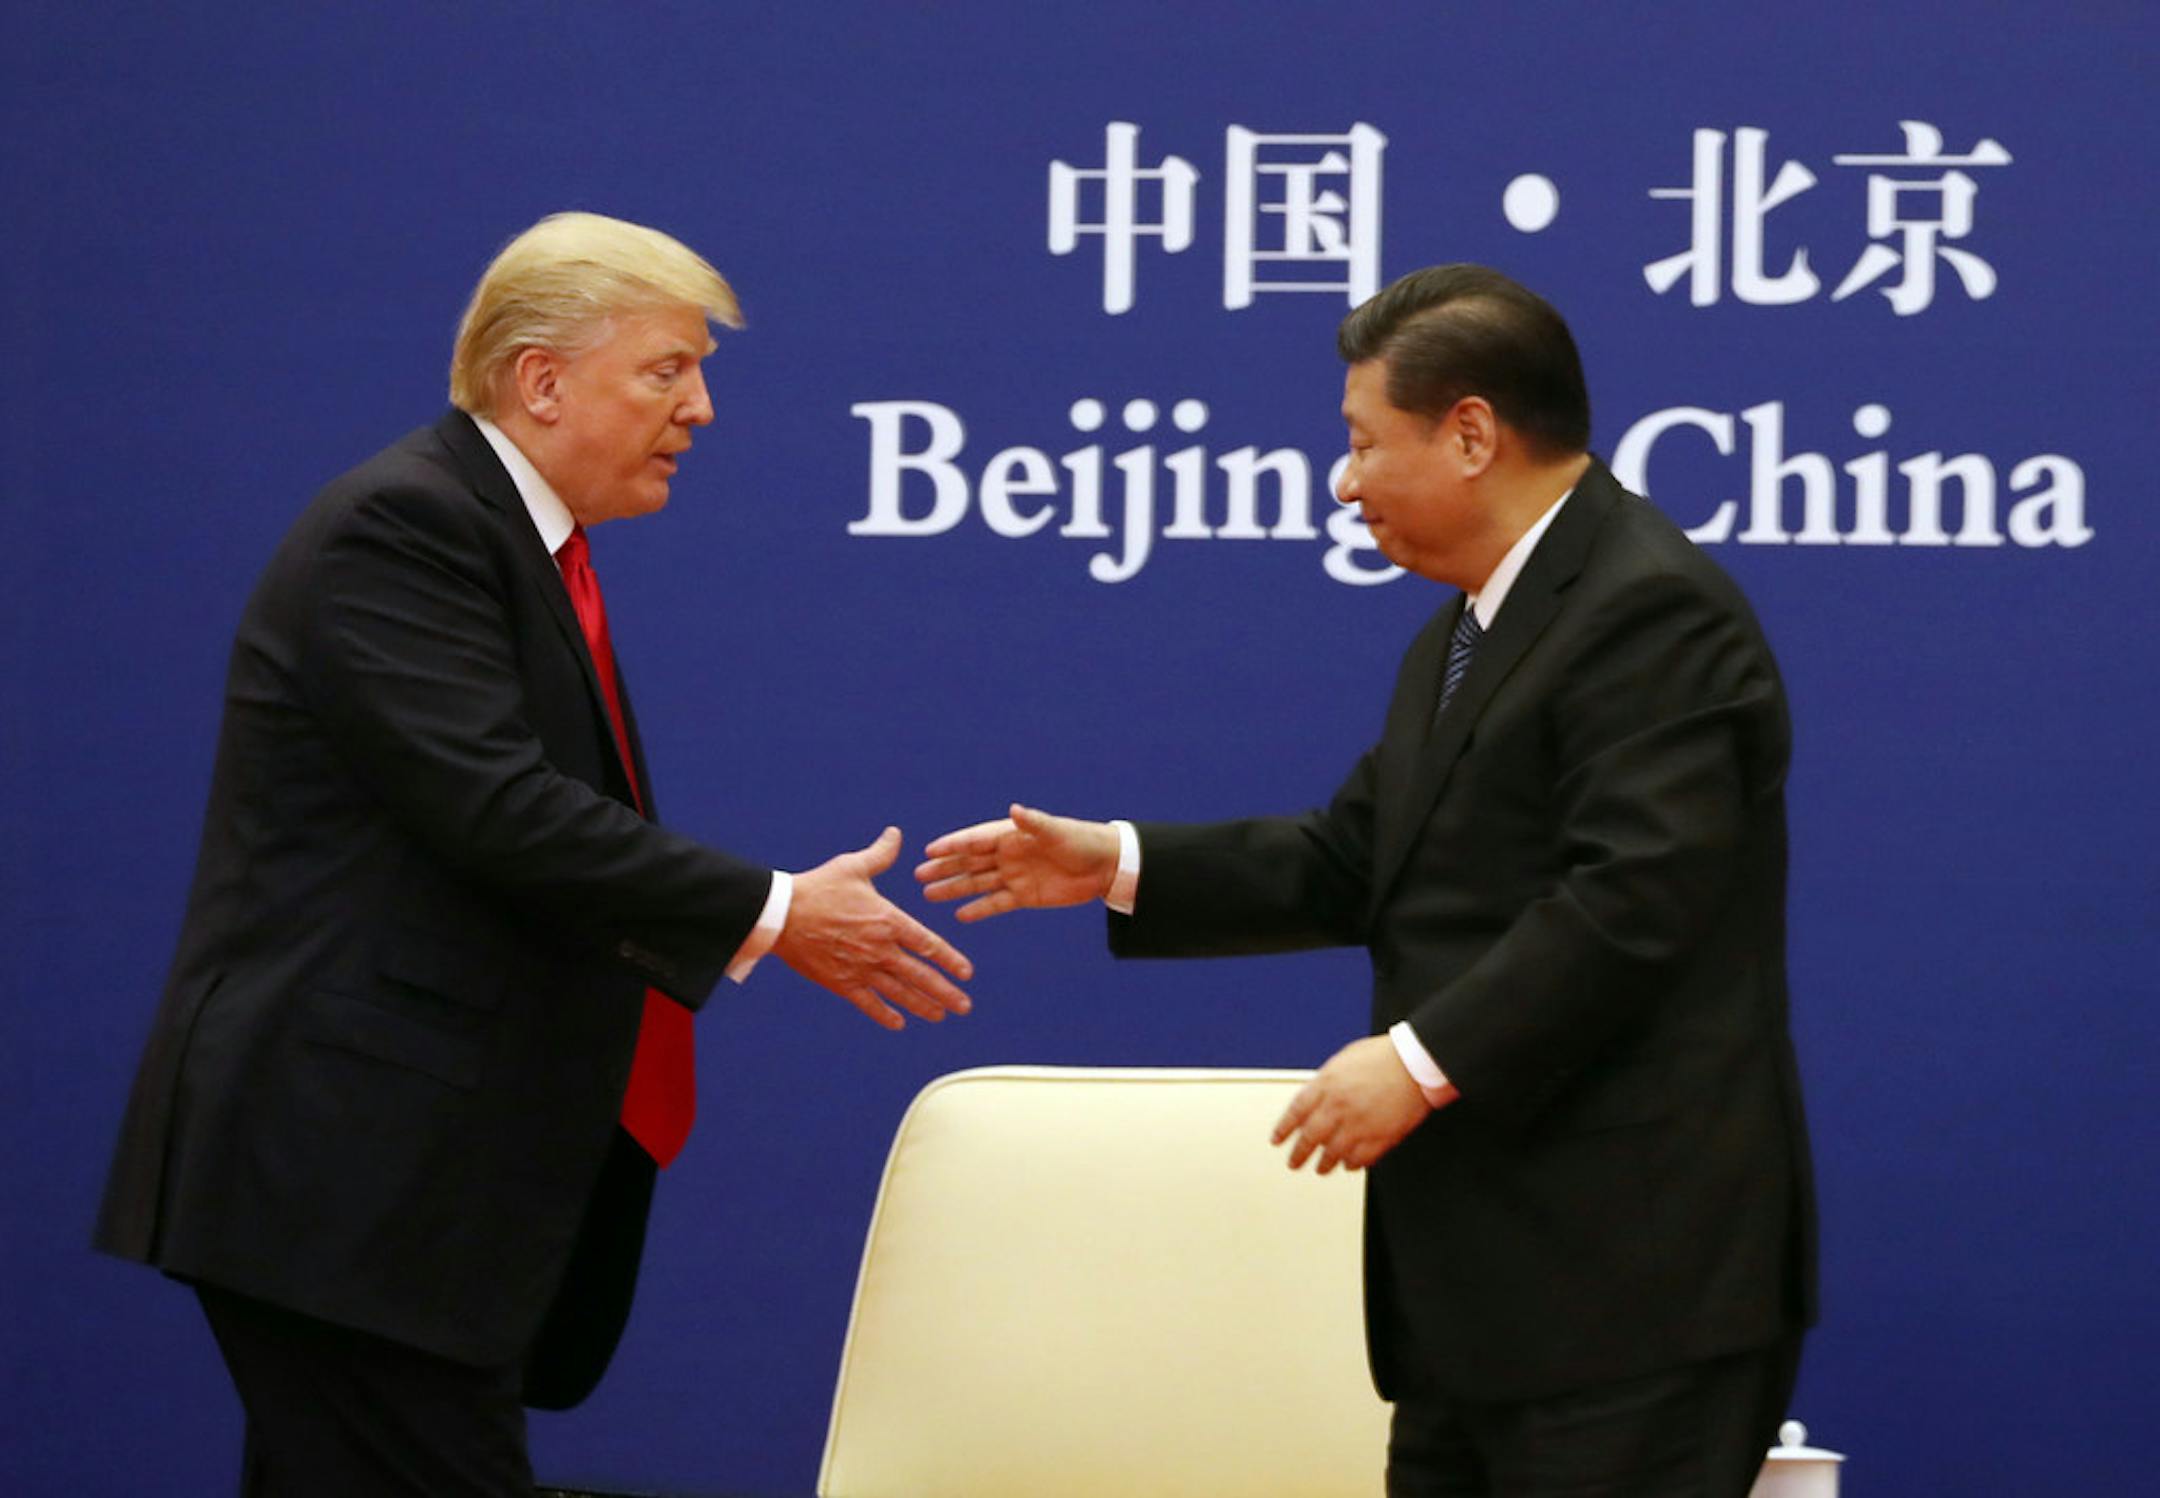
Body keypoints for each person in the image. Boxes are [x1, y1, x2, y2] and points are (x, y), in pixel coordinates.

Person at [95, 211, 974, 1497]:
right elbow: (498, 811)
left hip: (390, 1195)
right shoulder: (405, 526)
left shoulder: (514, 546)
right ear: (542, 380)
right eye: (668, 369)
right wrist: (777, 911)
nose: (704, 409)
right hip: (344, 1179)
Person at [917, 264, 1815, 1498]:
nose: (1342, 480)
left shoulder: (1650, 610)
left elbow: (1633, 902)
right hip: (1482, 1298)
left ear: (1471, 435)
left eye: (1359, 441)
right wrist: (1116, 862)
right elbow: (1356, 858)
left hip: (1628, 1295)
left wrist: (1417, 1059)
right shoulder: (1465, 631)